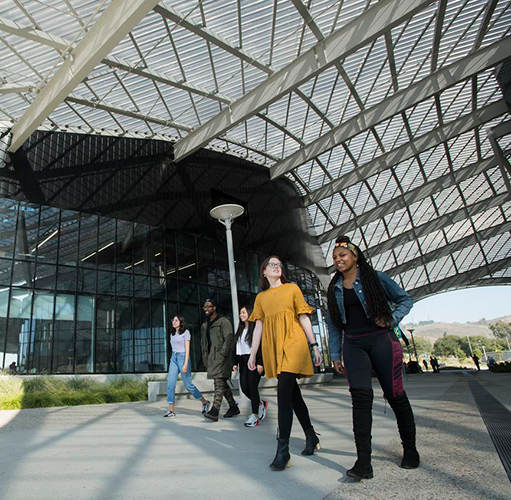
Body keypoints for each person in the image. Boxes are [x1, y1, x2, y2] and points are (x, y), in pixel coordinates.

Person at [327, 236, 419, 482]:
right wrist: (335, 354)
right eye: (335, 257)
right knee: (360, 398)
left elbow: (405, 299)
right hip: (354, 345)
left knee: (395, 394)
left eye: (342, 255)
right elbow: (335, 325)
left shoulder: (376, 278)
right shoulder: (333, 288)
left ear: (355, 256)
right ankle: (363, 461)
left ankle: (410, 449)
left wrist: (391, 319)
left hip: (382, 341)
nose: (338, 260)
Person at [248, 256, 322, 471]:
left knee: (283, 391)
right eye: (272, 264)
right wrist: (253, 355)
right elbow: (258, 328)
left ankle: (283, 449)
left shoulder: (292, 289)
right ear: (264, 271)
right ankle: (311, 436)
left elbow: (304, 317)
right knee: (292, 394)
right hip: (274, 347)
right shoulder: (261, 298)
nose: (276, 267)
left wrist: (314, 345)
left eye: (279, 265)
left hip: (294, 342)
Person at [201, 298, 239, 422]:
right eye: (204, 307)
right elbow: (204, 344)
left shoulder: (223, 321)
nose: (206, 309)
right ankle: (233, 407)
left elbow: (228, 339)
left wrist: (223, 354)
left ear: (214, 307)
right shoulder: (205, 324)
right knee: (221, 383)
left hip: (222, 357)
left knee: (218, 383)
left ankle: (215, 410)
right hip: (211, 358)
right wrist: (206, 359)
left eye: (208, 306)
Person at [164, 315, 210, 418]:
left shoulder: (186, 333)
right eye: (173, 320)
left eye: (176, 320)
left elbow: (187, 349)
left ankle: (204, 402)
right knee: (170, 384)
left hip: (183, 357)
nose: (174, 322)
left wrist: (185, 364)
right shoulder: (172, 334)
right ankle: (171, 410)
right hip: (174, 358)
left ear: (181, 322)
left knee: (188, 385)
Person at [232, 305, 268, 428]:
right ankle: (260, 403)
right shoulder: (240, 330)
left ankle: (254, 415)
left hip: (253, 361)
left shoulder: (256, 329)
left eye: (243, 312)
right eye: (240, 313)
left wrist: (260, 363)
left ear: (249, 313)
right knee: (244, 387)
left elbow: (261, 346)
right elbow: (236, 347)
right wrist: (234, 363)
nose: (241, 315)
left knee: (252, 387)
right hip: (243, 361)